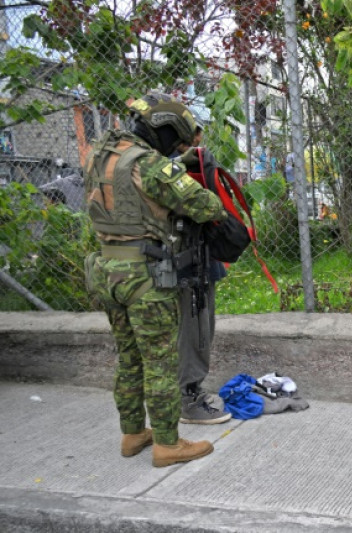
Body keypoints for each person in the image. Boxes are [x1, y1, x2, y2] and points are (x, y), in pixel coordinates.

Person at [84, 92, 229, 467]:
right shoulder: (149, 164)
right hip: (143, 278)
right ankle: (167, 443)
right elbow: (205, 205)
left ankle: (133, 433)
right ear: (162, 130)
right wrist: (181, 173)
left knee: (128, 357)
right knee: (160, 361)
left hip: (106, 270)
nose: (177, 146)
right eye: (176, 139)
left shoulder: (102, 153)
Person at [173, 129, 232, 425]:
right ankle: (188, 398)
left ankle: (187, 393)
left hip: (199, 257)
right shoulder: (164, 169)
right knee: (194, 330)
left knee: (200, 328)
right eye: (190, 137)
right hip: (186, 262)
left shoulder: (184, 164)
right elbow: (211, 207)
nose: (197, 141)